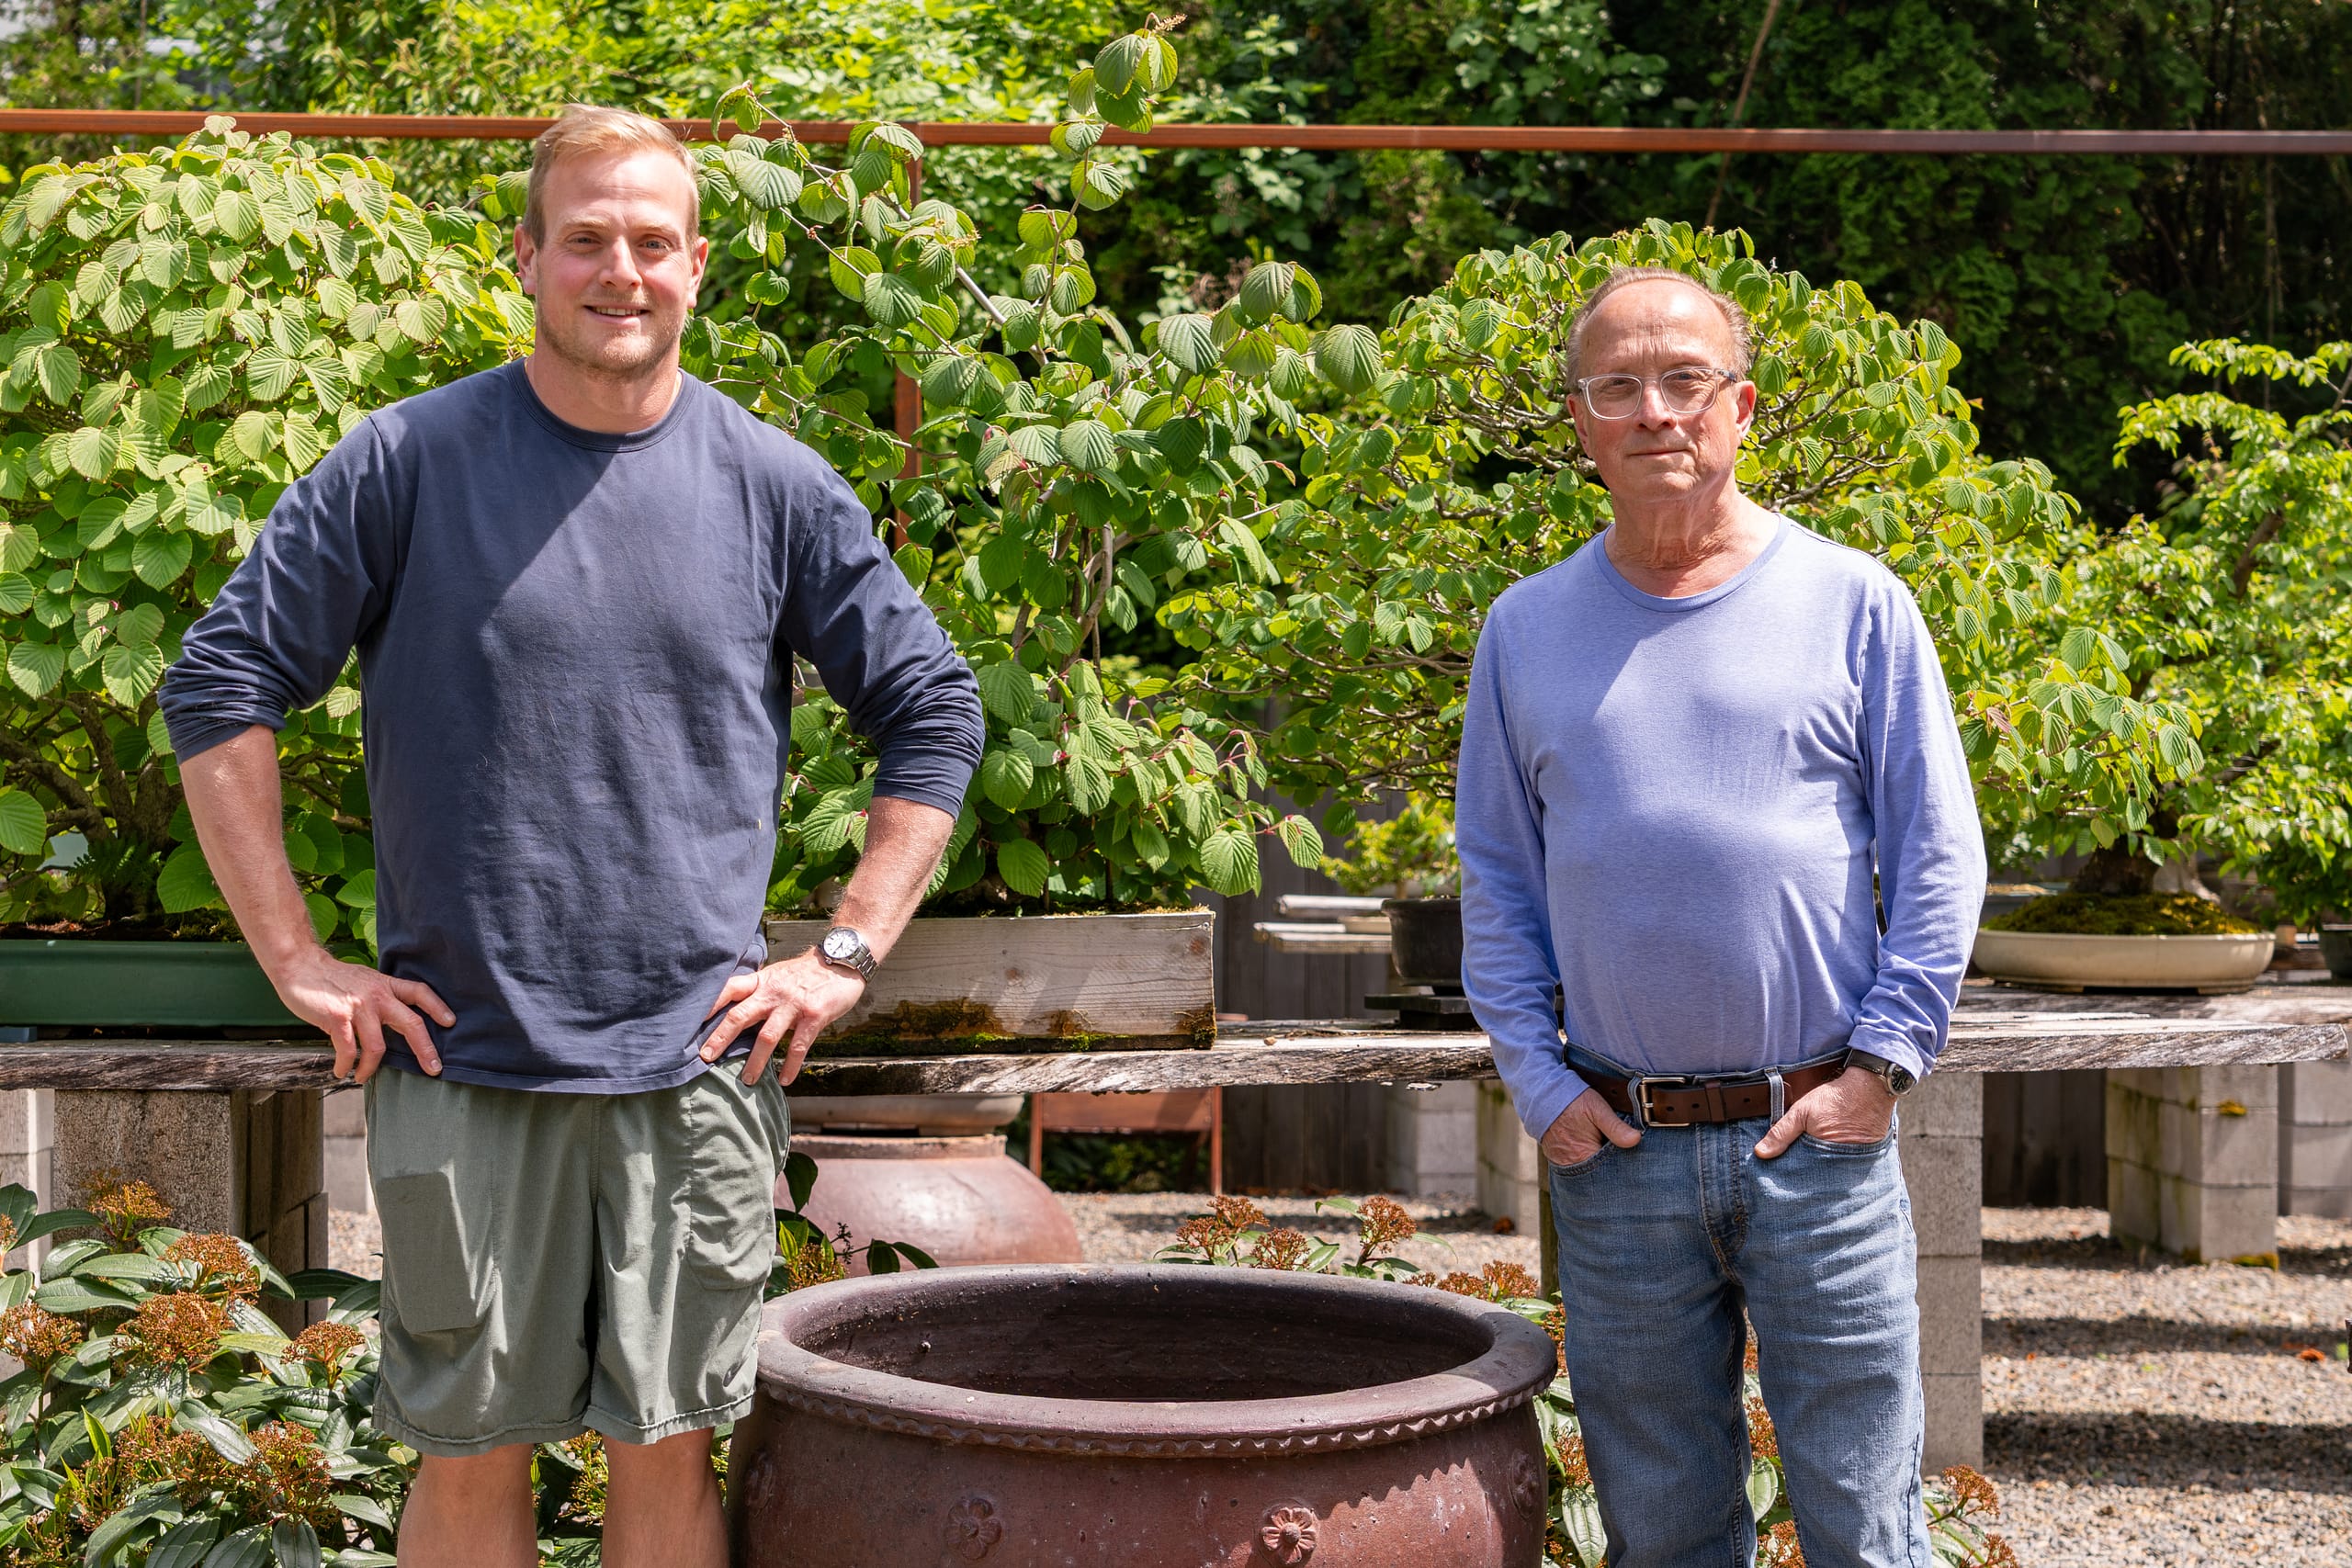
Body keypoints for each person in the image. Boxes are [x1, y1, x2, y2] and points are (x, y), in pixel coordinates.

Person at [158, 107, 982, 1568]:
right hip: (462, 1062)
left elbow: (932, 710)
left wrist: (844, 950)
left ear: (698, 266)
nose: (623, 269)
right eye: (587, 237)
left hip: (697, 1065)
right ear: (528, 257)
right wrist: (298, 958)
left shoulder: (775, 486)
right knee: (471, 1461)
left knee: (667, 1458)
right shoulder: (406, 463)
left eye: (652, 241)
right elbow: (222, 686)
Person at [1455, 266, 1985, 1568]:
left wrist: (1881, 1068)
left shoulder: (1856, 603)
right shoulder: (1524, 631)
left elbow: (1939, 854)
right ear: (1579, 423)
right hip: (1618, 1147)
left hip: (1820, 1137)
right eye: (1617, 387)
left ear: (1741, 407)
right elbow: (1497, 879)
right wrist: (1536, 1081)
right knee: (1663, 1532)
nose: (1655, 412)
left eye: (1685, 382)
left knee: (1865, 1526)